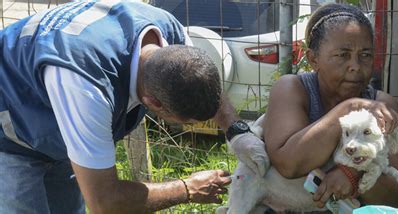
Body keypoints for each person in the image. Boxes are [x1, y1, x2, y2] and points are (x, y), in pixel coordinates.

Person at [0, 1, 268, 213]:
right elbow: (105, 202)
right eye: (185, 122)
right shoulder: (87, 87)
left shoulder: (169, 33)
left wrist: (237, 130)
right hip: (9, 133)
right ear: (153, 104)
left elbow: (201, 78)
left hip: (51, 116)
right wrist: (187, 188)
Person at [262, 3, 398, 209]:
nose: (356, 66)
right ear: (313, 59)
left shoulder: (384, 105)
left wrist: (355, 175)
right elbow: (289, 164)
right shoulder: (292, 89)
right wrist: (350, 108)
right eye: (343, 55)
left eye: (365, 55)